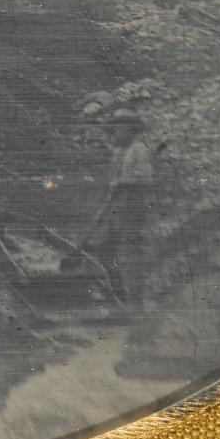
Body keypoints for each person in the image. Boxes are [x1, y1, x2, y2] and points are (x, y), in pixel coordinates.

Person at [73, 82, 165, 307]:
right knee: (105, 248)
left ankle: (134, 300)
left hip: (132, 208)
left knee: (128, 253)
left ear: (131, 129)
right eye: (114, 128)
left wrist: (120, 182)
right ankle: (117, 292)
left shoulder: (138, 149)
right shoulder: (119, 150)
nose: (115, 132)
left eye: (120, 128)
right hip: (116, 207)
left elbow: (145, 178)